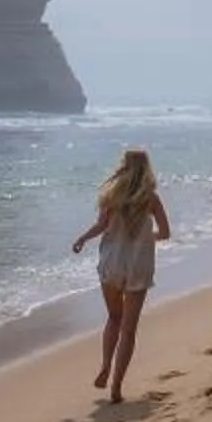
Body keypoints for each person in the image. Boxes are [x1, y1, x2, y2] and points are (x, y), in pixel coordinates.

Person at [72, 147, 171, 402]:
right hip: (138, 264)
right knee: (129, 329)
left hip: (112, 262)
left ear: (123, 166)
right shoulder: (151, 198)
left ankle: (106, 365)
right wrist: (146, 238)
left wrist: (82, 238)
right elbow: (165, 232)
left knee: (114, 318)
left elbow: (100, 226)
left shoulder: (111, 195)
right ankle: (116, 386)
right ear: (146, 169)